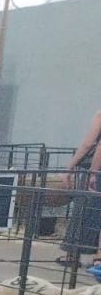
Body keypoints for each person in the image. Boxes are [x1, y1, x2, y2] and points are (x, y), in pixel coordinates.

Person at [57, 109, 101, 269]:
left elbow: (89, 144)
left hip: (98, 172)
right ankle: (97, 258)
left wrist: (91, 173)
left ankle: (73, 254)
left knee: (84, 211)